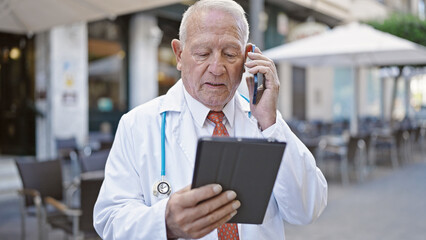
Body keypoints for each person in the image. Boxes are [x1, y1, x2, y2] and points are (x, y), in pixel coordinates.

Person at [93, 0, 328, 239]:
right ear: (179, 54)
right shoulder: (137, 125)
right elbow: (110, 220)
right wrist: (165, 222)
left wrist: (271, 124)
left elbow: (307, 209)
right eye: (203, 53)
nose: (216, 68)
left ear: (248, 57)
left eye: (230, 54)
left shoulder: (264, 121)